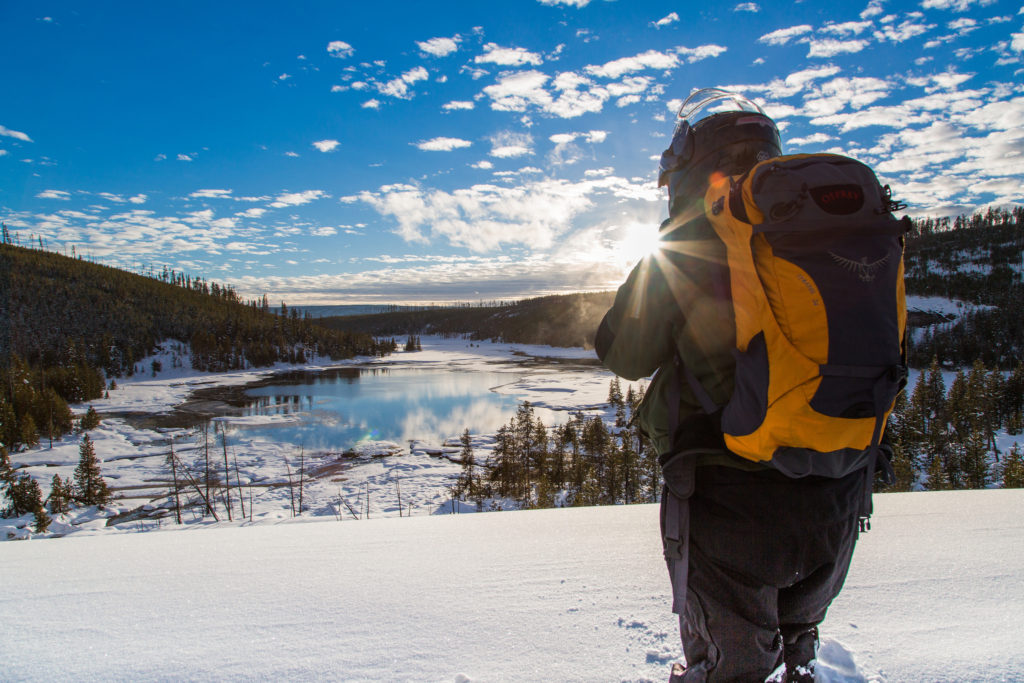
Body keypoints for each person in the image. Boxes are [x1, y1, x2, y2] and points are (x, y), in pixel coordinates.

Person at [595, 89, 870, 682]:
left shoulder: (692, 242)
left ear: (687, 166)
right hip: (840, 490)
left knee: (728, 668)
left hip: (731, 499)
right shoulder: (829, 234)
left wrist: (664, 253)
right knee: (798, 646)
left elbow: (621, 352)